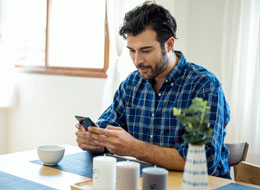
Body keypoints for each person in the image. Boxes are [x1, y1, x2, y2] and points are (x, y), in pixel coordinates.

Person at [75, 2, 231, 179]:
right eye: (132, 51)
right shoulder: (132, 84)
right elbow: (106, 128)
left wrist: (135, 148)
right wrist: (94, 140)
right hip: (148, 182)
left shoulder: (203, 85)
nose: (137, 60)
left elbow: (204, 160)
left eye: (146, 50)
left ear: (169, 44)